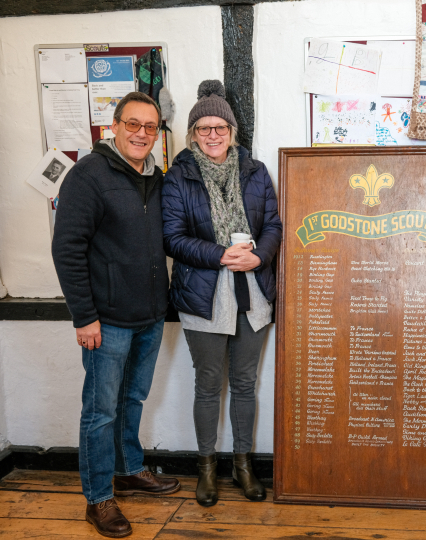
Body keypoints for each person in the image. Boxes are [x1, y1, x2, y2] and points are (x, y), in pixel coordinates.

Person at [52, 91, 180, 538]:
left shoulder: (154, 176)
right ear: (115, 126)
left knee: (133, 399)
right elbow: (66, 249)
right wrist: (83, 316)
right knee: (100, 411)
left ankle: (129, 470)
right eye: (133, 124)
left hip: (149, 314)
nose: (141, 133)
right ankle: (98, 498)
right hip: (105, 320)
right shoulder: (88, 175)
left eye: (150, 127)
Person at [162, 80, 282, 507]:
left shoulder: (256, 171)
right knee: (209, 384)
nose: (213, 135)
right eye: (204, 128)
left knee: (246, 383)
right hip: (203, 295)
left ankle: (243, 465)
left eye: (220, 127)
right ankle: (207, 467)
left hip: (253, 294)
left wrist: (260, 257)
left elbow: (273, 227)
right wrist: (220, 255)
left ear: (232, 131)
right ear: (193, 133)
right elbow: (172, 238)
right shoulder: (178, 177)